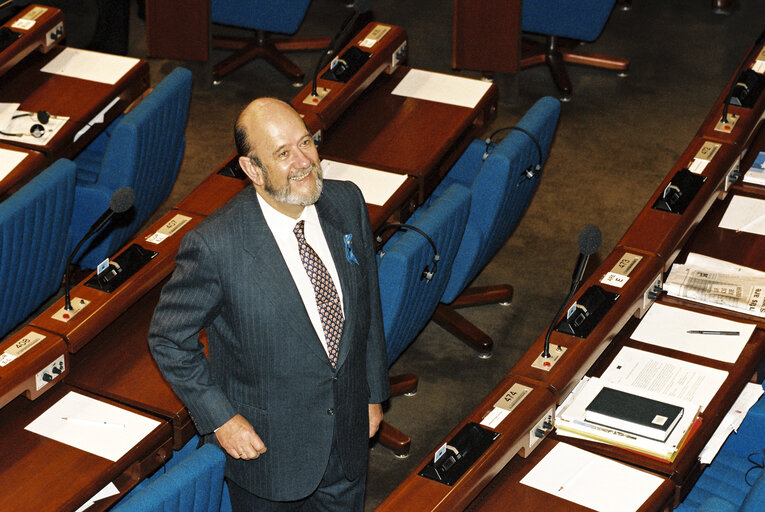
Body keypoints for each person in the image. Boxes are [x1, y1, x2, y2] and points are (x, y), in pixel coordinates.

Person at [148, 97, 389, 511]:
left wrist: (372, 392)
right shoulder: (216, 245)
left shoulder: (346, 201)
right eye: (282, 153)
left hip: (348, 439)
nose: (303, 161)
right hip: (271, 457)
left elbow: (366, 305)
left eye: (306, 143)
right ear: (252, 169)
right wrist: (221, 418)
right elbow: (169, 338)